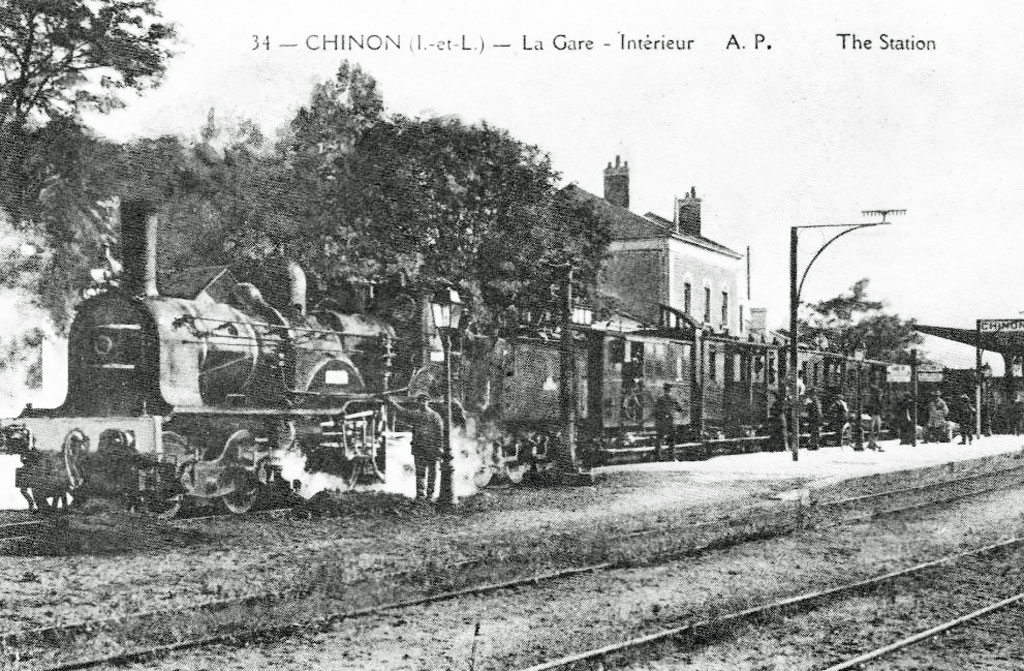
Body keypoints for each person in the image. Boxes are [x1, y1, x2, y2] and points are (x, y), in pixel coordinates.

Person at [385, 392, 444, 501]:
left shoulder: (435, 416)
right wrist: (392, 403)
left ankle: (430, 496)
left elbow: (440, 433)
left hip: (432, 449)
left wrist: (440, 447)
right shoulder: (416, 414)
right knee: (420, 473)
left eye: (424, 401)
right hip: (419, 448)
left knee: (432, 474)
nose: (422, 403)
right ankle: (421, 496)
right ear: (418, 402)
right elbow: (403, 412)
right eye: (420, 401)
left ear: (428, 402)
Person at [653, 383, 682, 461]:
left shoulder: (660, 398)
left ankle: (657, 457)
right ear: (670, 390)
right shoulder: (673, 398)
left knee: (659, 439)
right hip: (670, 421)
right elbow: (679, 409)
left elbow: (655, 410)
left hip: (661, 421)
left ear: (664, 389)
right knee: (672, 439)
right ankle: (671, 457)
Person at [865, 384, 884, 452]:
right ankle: (872, 443)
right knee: (873, 430)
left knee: (876, 430)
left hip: (876, 415)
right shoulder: (873, 400)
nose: (881, 395)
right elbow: (870, 407)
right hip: (873, 415)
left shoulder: (877, 400)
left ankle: (873, 443)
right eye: (880, 394)